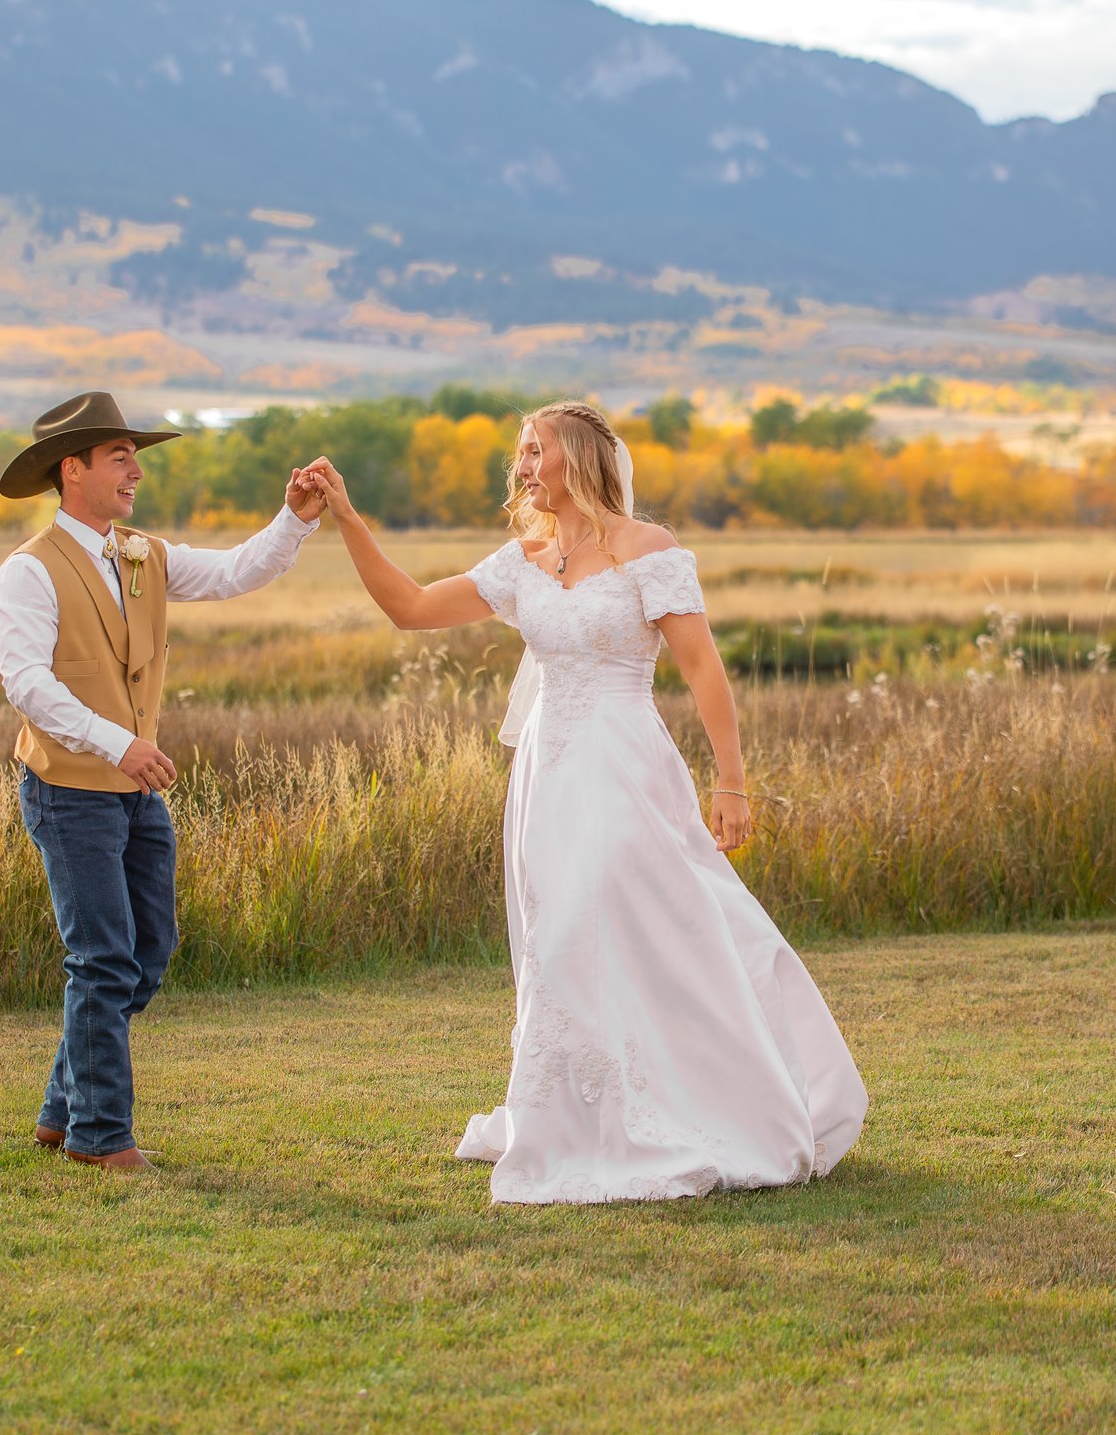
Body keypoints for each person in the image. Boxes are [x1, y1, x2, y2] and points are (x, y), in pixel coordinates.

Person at [297, 402, 867, 1204]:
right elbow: (412, 608)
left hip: (626, 768)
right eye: (521, 452)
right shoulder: (521, 562)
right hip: (547, 778)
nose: (524, 465)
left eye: (538, 450)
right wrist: (348, 519)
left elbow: (703, 668)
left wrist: (730, 781)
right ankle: (576, 1112)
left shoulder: (649, 551)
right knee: (558, 934)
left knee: (623, 925)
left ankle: (692, 1101)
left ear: (582, 458)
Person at [0, 390, 329, 1169]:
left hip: (134, 791)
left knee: (149, 951)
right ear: (73, 471)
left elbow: (240, 571)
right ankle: (99, 1138)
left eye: (134, 456)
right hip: (69, 789)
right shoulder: (26, 573)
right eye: (120, 457)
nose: (136, 469)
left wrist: (296, 516)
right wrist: (121, 745)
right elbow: (28, 685)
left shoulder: (143, 553)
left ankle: (60, 1108)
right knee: (102, 957)